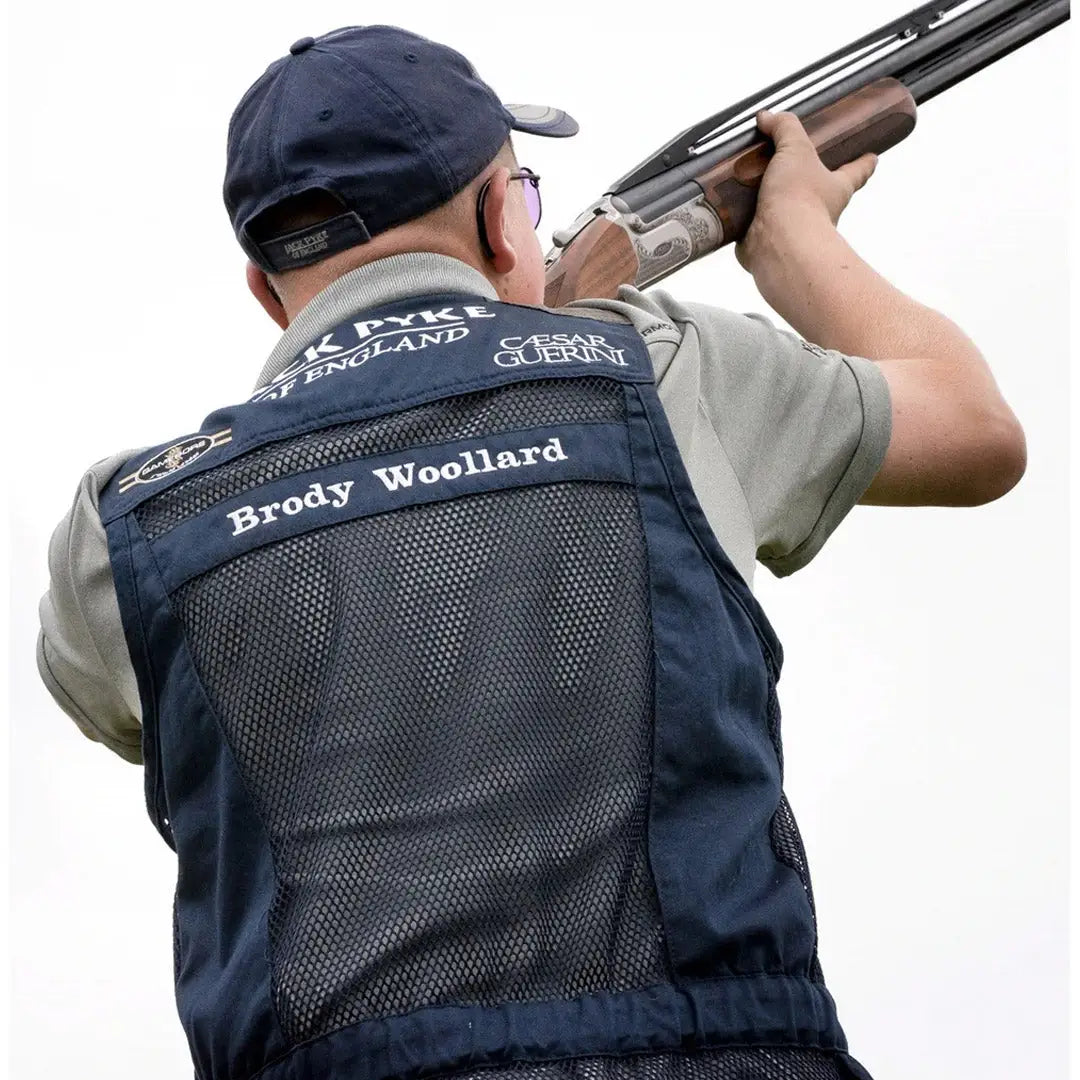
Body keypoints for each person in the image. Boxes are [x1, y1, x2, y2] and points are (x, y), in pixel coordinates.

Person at [36, 24, 1025, 1080]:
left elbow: (143, 704)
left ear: (262, 287)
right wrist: (797, 241)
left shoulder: (125, 520)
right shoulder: (654, 367)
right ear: (500, 219)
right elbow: (975, 430)